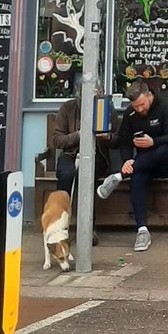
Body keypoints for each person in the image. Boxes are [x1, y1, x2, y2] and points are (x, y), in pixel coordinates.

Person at [96, 78, 168, 252]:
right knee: (137, 176)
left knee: (162, 149)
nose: (140, 109)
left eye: (142, 104)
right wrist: (127, 160)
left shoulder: (167, 106)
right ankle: (142, 230)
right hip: (142, 165)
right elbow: (125, 142)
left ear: (149, 95)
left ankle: (119, 176)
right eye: (136, 106)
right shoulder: (130, 114)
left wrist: (153, 142)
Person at [52, 75, 118, 246]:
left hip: (98, 156)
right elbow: (57, 140)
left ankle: (89, 229)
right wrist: (78, 135)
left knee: (85, 176)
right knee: (66, 175)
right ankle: (59, 228)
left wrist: (107, 137)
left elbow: (118, 139)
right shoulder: (67, 108)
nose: (95, 95)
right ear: (79, 93)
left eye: (98, 92)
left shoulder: (107, 108)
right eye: (90, 93)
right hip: (70, 155)